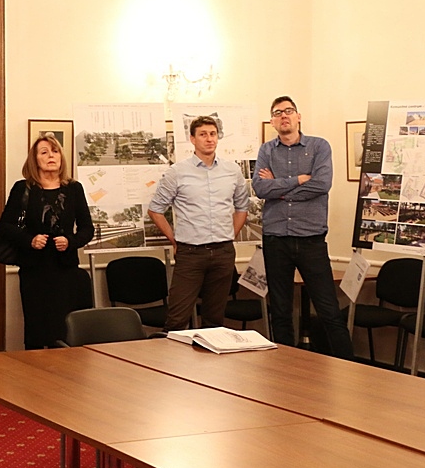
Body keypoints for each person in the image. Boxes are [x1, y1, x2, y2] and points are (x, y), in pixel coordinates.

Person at [253, 96, 355, 360]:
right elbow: (260, 188)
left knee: (329, 310)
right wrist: (297, 180)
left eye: (289, 111)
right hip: (276, 239)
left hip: (311, 240)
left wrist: (279, 187)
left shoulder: (319, 146)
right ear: (273, 121)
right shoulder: (266, 150)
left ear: (298, 117)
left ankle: (350, 368)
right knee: (280, 311)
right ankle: (285, 369)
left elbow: (321, 185)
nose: (284, 116)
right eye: (278, 113)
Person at [148, 116, 250, 332]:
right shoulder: (177, 172)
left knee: (214, 321)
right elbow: (155, 210)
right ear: (192, 139)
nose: (209, 139)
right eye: (203, 134)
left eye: (213, 134)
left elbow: (242, 207)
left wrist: (230, 235)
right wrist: (174, 240)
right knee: (177, 319)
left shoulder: (232, 170)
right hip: (190, 253)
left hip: (223, 253)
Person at [0, 136, 94, 350]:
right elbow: (5, 226)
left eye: (55, 151)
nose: (51, 156)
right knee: (37, 332)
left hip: (65, 269)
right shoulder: (23, 188)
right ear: (34, 160)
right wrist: (29, 240)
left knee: (65, 332)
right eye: (44, 152)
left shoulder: (74, 188)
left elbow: (87, 228)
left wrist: (70, 241)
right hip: (34, 271)